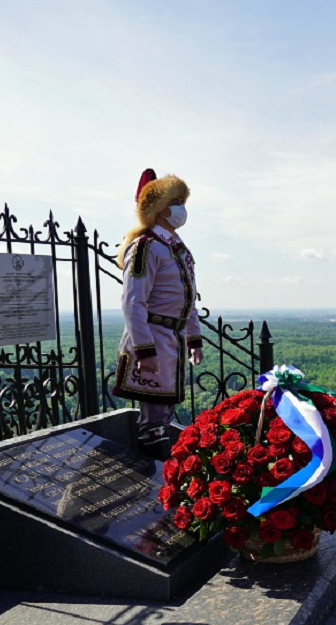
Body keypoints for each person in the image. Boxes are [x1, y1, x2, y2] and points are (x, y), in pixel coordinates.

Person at [112, 169, 203, 460]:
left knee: (164, 413)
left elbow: (187, 299)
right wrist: (144, 349)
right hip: (153, 337)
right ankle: (149, 480)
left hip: (172, 340)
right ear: (160, 208)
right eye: (176, 201)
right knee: (152, 423)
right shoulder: (145, 247)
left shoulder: (177, 249)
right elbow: (132, 301)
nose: (181, 209)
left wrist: (194, 337)